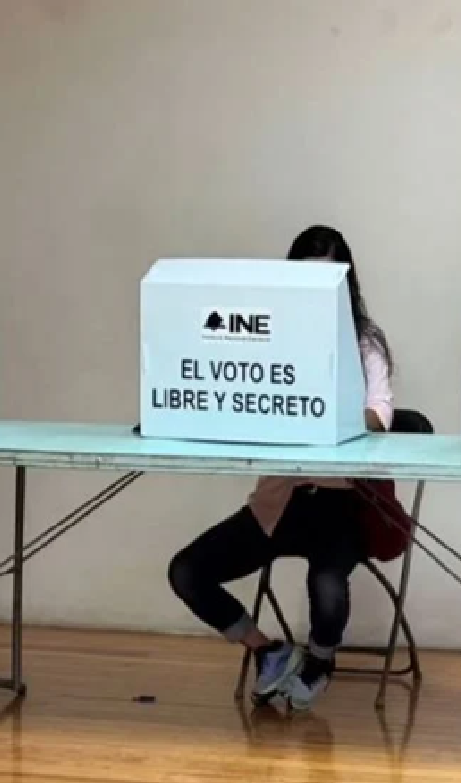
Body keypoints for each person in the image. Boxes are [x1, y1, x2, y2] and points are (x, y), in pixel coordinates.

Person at [167, 225, 395, 712]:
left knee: (327, 587)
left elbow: (380, 413)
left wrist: (326, 412)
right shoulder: (268, 335)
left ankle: (320, 663)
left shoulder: (364, 342)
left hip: (341, 503)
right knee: (186, 571)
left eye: (328, 277)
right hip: (277, 500)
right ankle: (268, 651)